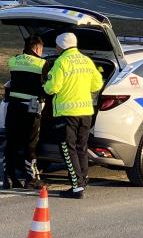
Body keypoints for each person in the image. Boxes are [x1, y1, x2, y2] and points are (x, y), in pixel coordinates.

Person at [44, 32, 103, 198]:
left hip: (67, 113)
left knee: (68, 149)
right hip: (85, 113)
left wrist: (45, 85)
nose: (55, 48)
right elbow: (97, 83)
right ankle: (83, 180)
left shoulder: (61, 62)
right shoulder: (86, 60)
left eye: (56, 45)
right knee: (81, 148)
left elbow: (52, 88)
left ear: (62, 46)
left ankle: (76, 187)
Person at [2, 36, 46, 190]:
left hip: (13, 107)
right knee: (30, 143)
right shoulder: (42, 64)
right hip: (31, 108)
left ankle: (9, 177)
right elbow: (47, 86)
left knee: (12, 142)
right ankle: (32, 178)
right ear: (38, 49)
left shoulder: (13, 61)